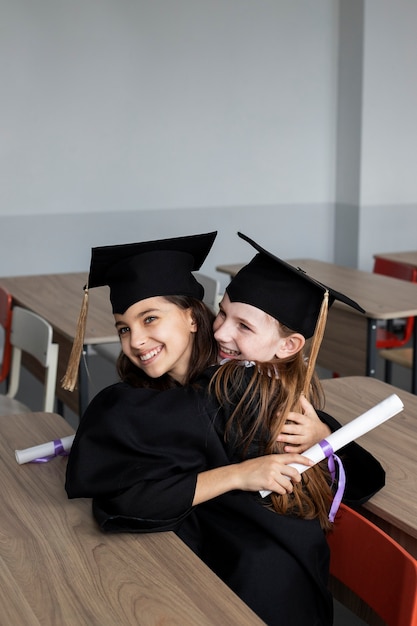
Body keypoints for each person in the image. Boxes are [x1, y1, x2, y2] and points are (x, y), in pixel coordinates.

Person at [65, 231, 383, 625]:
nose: (221, 332)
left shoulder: (257, 402)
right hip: (206, 572)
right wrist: (237, 475)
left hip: (260, 592)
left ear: (189, 315)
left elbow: (366, 479)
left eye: (243, 327)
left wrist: (323, 439)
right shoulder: (207, 392)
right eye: (222, 314)